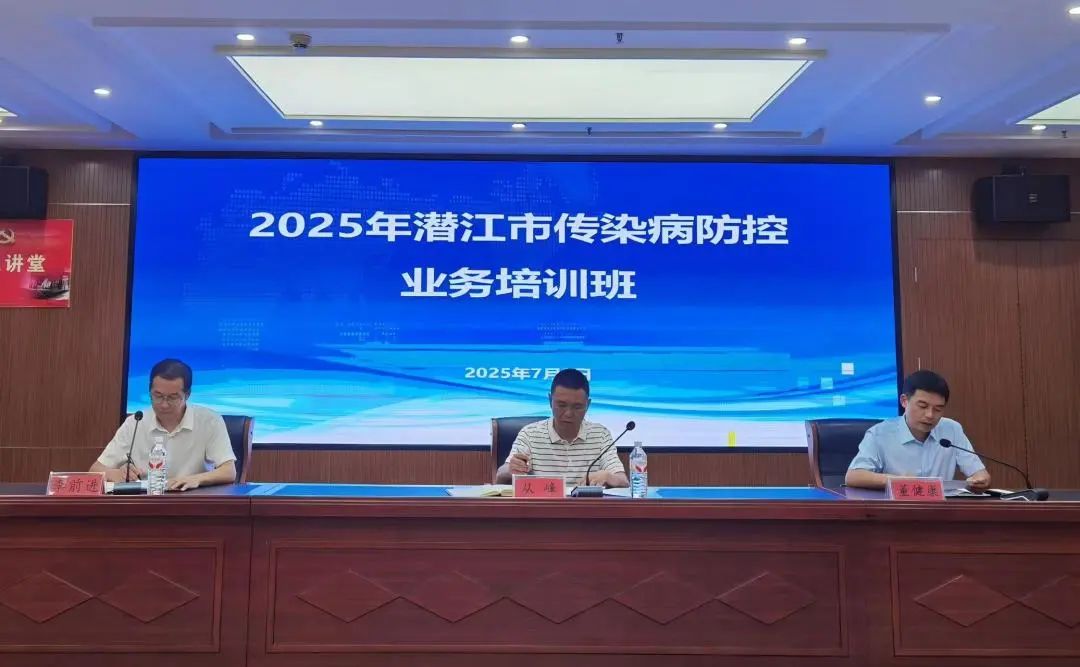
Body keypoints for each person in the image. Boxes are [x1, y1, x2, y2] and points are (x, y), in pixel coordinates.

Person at [91, 359, 237, 491]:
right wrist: (116, 473)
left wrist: (196, 479)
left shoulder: (209, 421)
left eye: (173, 397)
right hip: (146, 502)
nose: (164, 404)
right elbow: (95, 470)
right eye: (158, 396)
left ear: (187, 395)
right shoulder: (136, 423)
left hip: (193, 500)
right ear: (150, 392)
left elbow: (229, 471)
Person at [845, 370, 990, 491]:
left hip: (941, 510)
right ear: (904, 401)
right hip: (897, 510)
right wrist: (898, 481)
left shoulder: (952, 429)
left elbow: (980, 474)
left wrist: (980, 480)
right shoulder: (880, 433)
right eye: (922, 406)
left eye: (938, 409)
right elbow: (853, 476)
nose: (930, 415)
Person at [495, 368, 628, 488]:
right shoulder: (530, 434)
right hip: (542, 505)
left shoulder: (600, 435)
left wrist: (608, 476)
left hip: (586, 506)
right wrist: (511, 469)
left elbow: (623, 481)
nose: (568, 413)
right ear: (550, 401)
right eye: (562, 405)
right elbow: (500, 475)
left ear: (587, 405)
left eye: (577, 407)